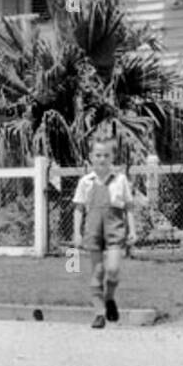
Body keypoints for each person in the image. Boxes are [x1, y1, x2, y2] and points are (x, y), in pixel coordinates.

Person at [72, 138, 139, 329]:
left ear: (112, 157)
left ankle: (109, 297)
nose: (102, 159)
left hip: (114, 229)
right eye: (98, 155)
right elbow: (78, 208)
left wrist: (132, 230)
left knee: (113, 269)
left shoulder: (120, 180)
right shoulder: (85, 182)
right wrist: (76, 233)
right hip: (93, 229)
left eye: (106, 155)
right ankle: (99, 312)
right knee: (98, 270)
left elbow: (129, 207)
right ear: (91, 157)